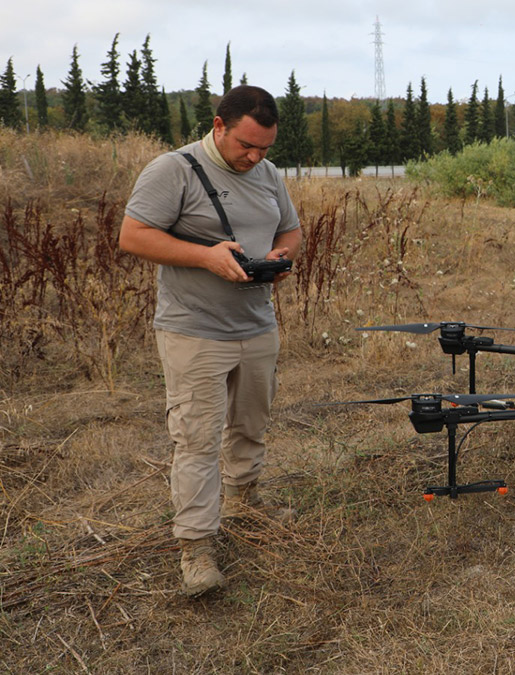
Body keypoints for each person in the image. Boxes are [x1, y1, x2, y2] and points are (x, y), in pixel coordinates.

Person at [119, 85, 302, 597]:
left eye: (266, 148)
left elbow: (291, 230)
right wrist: (206, 256)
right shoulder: (172, 170)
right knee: (197, 438)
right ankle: (197, 548)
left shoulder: (266, 174)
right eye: (247, 145)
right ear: (219, 126)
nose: (255, 157)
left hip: (256, 325)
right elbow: (132, 235)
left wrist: (282, 259)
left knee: (252, 422)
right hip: (194, 330)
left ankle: (246, 497)